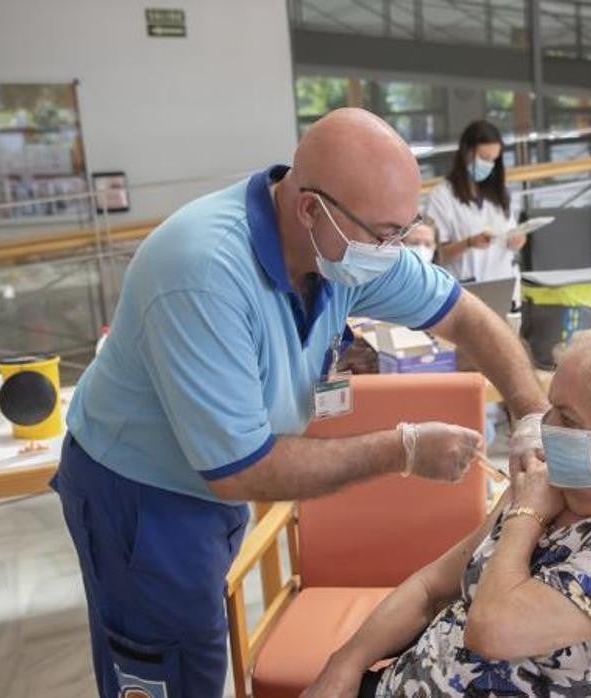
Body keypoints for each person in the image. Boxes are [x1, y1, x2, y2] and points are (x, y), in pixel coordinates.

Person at [53, 109, 550, 698]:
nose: (394, 250)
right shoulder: (203, 271)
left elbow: (466, 315)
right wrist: (404, 448)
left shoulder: (343, 247)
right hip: (139, 492)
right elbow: (242, 470)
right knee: (171, 662)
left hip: (209, 477)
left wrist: (532, 415)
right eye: (384, 233)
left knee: (199, 647)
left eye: (403, 230)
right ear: (310, 208)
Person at [306, 321, 591, 697]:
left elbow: (492, 629)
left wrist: (527, 514)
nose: (546, 426)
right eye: (551, 405)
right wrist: (346, 662)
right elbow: (432, 588)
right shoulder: (557, 483)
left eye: (569, 419)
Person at [426, 120, 525, 283]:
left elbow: (511, 231)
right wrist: (469, 243)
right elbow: (436, 255)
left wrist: (518, 240)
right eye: (484, 158)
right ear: (467, 153)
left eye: (493, 160)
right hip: (466, 285)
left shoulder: (499, 192)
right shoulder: (441, 196)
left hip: (504, 282)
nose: (489, 165)